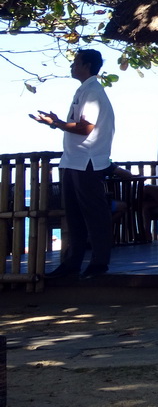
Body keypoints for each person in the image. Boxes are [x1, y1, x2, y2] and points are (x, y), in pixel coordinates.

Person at [29, 49, 115, 280]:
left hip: (87, 160)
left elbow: (86, 127)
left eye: (75, 62)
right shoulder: (84, 90)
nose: (72, 66)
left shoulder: (93, 92)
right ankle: (72, 262)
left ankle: (99, 263)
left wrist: (56, 123)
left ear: (86, 65)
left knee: (94, 213)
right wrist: (57, 122)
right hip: (74, 160)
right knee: (74, 215)